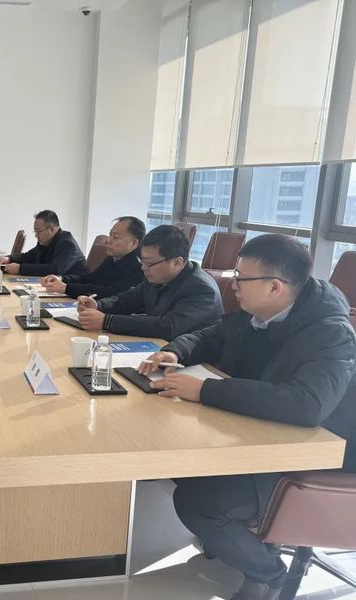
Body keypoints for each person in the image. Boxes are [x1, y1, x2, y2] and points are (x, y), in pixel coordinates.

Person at [139, 234, 356, 600]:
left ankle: (269, 575)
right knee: (175, 459)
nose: (233, 284)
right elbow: (210, 335)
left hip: (318, 457)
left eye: (241, 277)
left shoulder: (330, 334)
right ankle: (234, 541)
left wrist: (205, 391)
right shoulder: (260, 314)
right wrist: (175, 352)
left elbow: (306, 405)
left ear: (274, 287)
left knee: (198, 502)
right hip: (269, 438)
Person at [76, 224, 222, 340]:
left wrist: (107, 321)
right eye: (142, 261)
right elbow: (128, 300)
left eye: (149, 263)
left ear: (177, 262)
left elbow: (168, 327)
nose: (143, 268)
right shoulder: (157, 275)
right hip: (158, 347)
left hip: (192, 361)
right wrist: (98, 305)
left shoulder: (202, 289)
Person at [41, 216, 145, 299]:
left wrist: (67, 288)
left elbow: (111, 293)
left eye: (115, 237)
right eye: (110, 235)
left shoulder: (140, 267)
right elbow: (91, 278)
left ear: (134, 243)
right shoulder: (113, 258)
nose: (109, 240)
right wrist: (62, 279)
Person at [0, 210, 86, 277]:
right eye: (35, 232)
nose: (36, 235)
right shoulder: (45, 242)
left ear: (51, 229)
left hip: (74, 291)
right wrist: (9, 259)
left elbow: (55, 270)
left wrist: (20, 269)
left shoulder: (68, 244)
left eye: (38, 231)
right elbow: (28, 256)